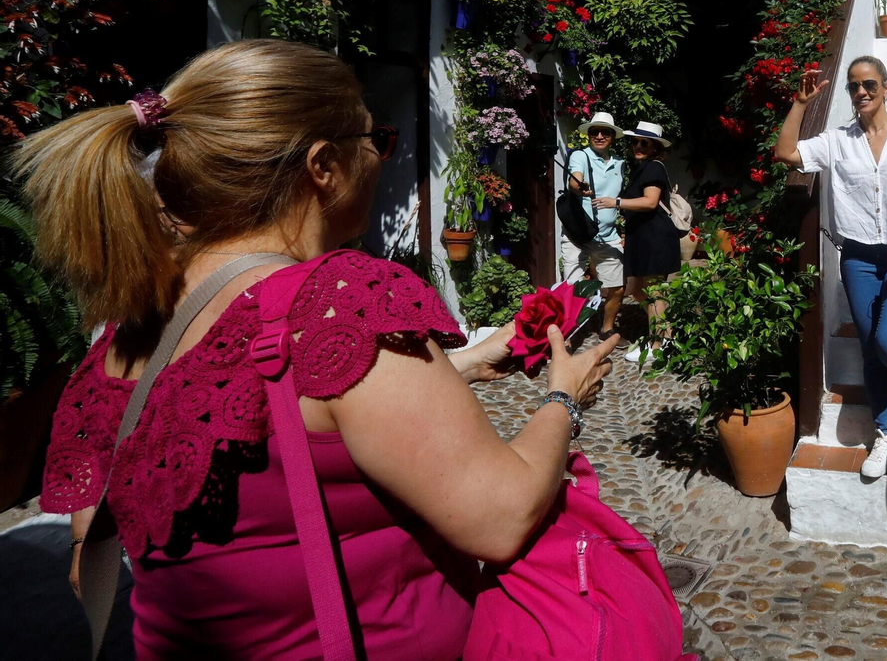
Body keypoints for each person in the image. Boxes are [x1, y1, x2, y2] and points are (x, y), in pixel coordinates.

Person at [12, 39, 618, 659]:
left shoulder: (128, 328)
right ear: (324, 165)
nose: (383, 156)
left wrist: (462, 363)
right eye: (373, 138)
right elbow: (501, 514)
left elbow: (93, 558)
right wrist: (562, 400)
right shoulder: (340, 301)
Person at [775, 55, 887, 480]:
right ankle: (885, 432)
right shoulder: (838, 141)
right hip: (858, 258)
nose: (861, 92)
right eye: (854, 86)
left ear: (886, 88)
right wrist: (800, 104)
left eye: (869, 84)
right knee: (870, 345)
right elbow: (785, 152)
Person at [594, 121, 681, 366]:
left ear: (655, 148)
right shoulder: (643, 168)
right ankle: (667, 334)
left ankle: (659, 343)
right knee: (639, 290)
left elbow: (650, 202)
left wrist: (616, 202)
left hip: (655, 238)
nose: (639, 146)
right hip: (643, 237)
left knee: (654, 291)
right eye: (636, 142)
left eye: (645, 143)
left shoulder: (653, 167)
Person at [561, 110, 628, 341]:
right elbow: (574, 180)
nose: (599, 135)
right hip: (578, 234)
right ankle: (569, 333)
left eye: (604, 132)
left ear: (612, 136)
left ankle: (606, 327)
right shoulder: (581, 155)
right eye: (594, 132)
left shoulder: (620, 163)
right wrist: (581, 188)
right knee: (572, 287)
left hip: (607, 236)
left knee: (618, 286)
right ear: (589, 135)